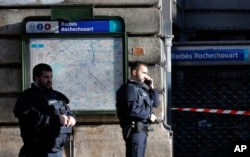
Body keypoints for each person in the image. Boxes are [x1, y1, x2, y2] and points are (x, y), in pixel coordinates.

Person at [13, 63, 76, 157]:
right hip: (36, 152)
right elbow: (34, 120)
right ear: (37, 78)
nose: (50, 80)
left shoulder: (57, 96)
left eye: (51, 77)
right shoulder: (26, 97)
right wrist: (57, 120)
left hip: (57, 151)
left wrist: (72, 118)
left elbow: (68, 112)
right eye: (46, 77)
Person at [116, 62, 160, 157]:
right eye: (143, 73)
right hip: (135, 131)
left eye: (146, 73)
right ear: (134, 72)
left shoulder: (142, 89)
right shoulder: (129, 89)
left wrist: (151, 87)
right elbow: (132, 110)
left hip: (141, 132)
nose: (146, 76)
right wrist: (149, 116)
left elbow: (156, 103)